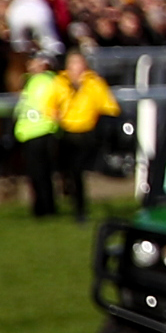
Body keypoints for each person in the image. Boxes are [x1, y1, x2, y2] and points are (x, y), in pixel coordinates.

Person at [52, 45, 119, 219]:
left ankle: (80, 209)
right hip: (65, 132)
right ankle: (70, 201)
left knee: (77, 170)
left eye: (78, 63)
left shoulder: (94, 83)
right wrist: (54, 114)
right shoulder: (60, 83)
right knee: (68, 171)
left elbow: (110, 107)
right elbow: (49, 105)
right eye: (72, 63)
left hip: (87, 132)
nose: (76, 67)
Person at [12, 53, 61, 218]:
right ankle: (43, 208)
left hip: (40, 131)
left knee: (40, 174)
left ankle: (44, 209)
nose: (31, 67)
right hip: (32, 132)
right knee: (38, 174)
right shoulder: (32, 81)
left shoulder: (44, 81)